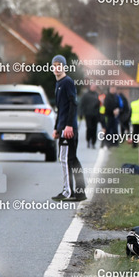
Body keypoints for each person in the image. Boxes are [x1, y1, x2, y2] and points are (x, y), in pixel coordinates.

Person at [50, 55, 87, 202]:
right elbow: (61, 109)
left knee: (65, 159)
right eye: (54, 66)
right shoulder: (58, 83)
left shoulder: (67, 82)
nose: (57, 68)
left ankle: (68, 192)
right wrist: (56, 128)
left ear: (64, 67)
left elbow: (73, 104)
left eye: (59, 65)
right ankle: (79, 192)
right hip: (63, 128)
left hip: (68, 129)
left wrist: (69, 125)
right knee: (71, 159)